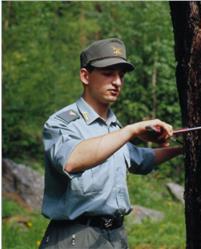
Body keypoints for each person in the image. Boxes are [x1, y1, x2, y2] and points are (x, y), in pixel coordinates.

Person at [39, 38, 183, 249]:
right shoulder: (63, 122)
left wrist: (183, 150)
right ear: (85, 76)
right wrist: (132, 130)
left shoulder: (114, 128)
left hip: (115, 236)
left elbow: (141, 159)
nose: (117, 82)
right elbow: (71, 161)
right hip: (74, 237)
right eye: (108, 74)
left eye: (121, 76)